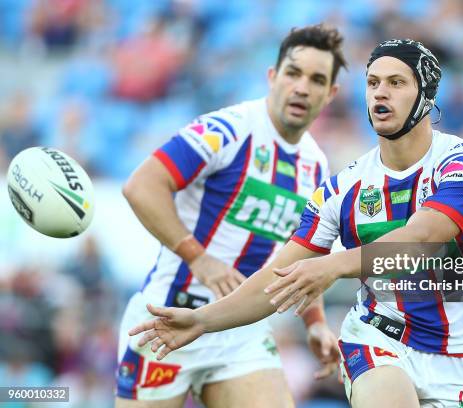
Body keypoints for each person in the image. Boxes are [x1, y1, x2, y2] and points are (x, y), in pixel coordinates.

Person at [129, 39, 463, 408]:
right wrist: (201, 321)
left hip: (461, 361)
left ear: (426, 95)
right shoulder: (341, 189)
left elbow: (423, 237)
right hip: (379, 340)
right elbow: (280, 277)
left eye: (396, 83)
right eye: (372, 83)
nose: (380, 93)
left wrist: (331, 266)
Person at [116, 24, 347, 408]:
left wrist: (315, 322)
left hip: (241, 329)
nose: (302, 87)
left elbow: (305, 257)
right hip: (169, 316)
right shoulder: (226, 129)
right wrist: (199, 258)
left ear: (330, 94)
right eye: (293, 73)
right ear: (273, 77)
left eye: (317, 79)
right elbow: (141, 186)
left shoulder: (316, 166)